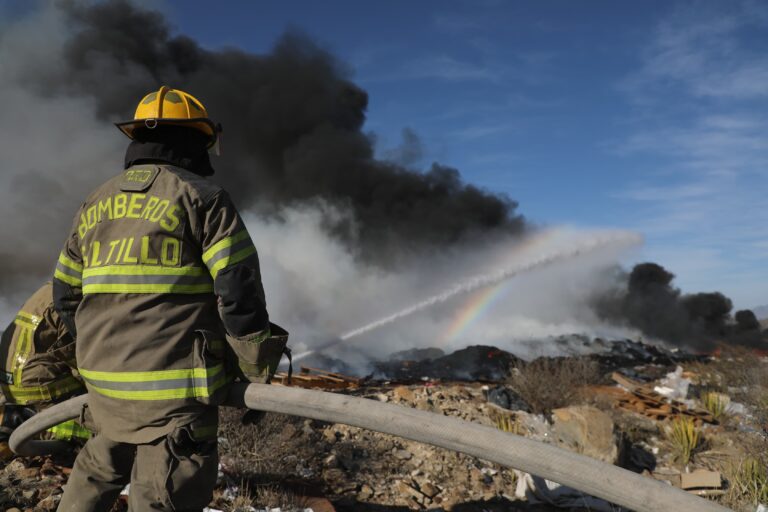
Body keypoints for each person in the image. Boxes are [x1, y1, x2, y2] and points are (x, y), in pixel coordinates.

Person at [54, 86, 284, 511]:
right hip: (176, 397)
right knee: (163, 494)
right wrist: (254, 369)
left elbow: (65, 294)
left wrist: (99, 353)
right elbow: (238, 291)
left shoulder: (94, 202)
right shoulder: (204, 198)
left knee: (95, 475)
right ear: (197, 140)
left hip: (104, 387)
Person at [0, 282, 89, 452]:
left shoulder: (52, 288)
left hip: (12, 385)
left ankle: (20, 417)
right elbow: (84, 362)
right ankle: (70, 439)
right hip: (42, 389)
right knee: (104, 422)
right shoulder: (74, 299)